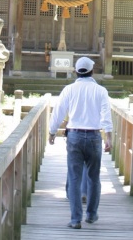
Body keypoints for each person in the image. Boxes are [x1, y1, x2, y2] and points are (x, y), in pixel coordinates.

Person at [48, 55, 113, 229]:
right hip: (94, 136)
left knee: (75, 178)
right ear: (92, 71)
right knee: (93, 177)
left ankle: (76, 219)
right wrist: (108, 137)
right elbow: (106, 114)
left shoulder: (69, 90)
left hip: (74, 136)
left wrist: (52, 131)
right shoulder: (101, 91)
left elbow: (58, 111)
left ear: (76, 72)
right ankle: (91, 215)